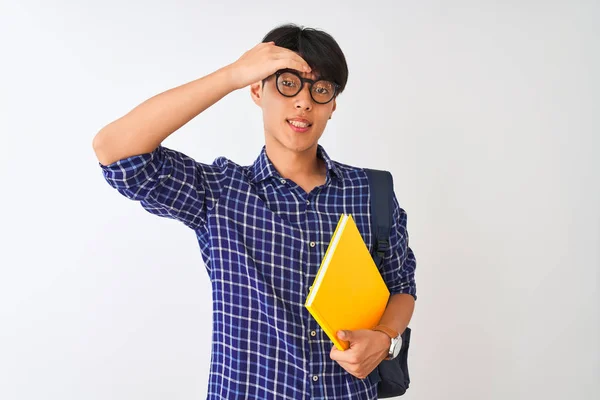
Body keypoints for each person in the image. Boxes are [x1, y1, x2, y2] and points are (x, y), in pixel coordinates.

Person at [93, 23, 417, 400]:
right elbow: (115, 151)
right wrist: (230, 74)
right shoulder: (219, 193)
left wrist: (384, 338)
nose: (304, 102)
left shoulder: (371, 191)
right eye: (287, 83)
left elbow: (401, 286)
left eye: (321, 89)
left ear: (332, 106)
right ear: (256, 89)